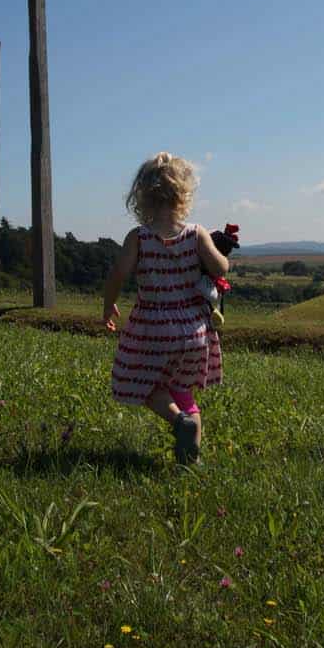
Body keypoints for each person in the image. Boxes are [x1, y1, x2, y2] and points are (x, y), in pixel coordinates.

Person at [103, 152, 230, 465]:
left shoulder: (139, 238)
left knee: (144, 385)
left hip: (153, 327)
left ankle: (177, 422)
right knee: (184, 392)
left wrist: (109, 306)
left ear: (141, 196)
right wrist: (215, 250)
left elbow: (118, 274)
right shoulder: (196, 233)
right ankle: (191, 462)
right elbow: (221, 268)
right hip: (194, 331)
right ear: (184, 195)